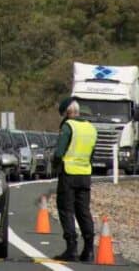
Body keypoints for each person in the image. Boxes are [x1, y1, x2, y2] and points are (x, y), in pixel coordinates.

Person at [52, 97, 98, 263]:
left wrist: (55, 164)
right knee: (83, 211)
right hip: (85, 175)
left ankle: (71, 249)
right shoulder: (91, 128)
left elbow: (59, 152)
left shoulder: (68, 126)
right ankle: (89, 250)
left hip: (68, 174)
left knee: (66, 210)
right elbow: (92, 154)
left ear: (67, 112)